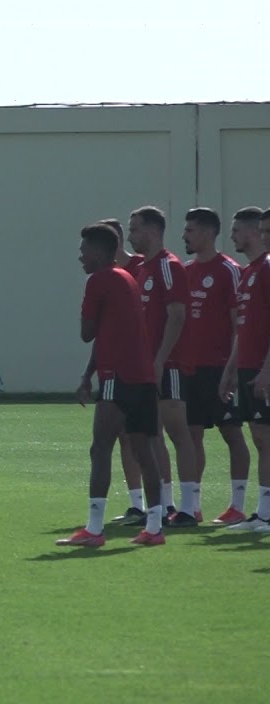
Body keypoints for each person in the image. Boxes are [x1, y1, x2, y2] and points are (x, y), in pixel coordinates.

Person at [60, 223, 167, 547]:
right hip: (143, 377)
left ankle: (94, 529)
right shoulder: (127, 278)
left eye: (84, 250)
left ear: (98, 251)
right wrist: (87, 374)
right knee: (144, 451)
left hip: (118, 377)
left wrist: (86, 311)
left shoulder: (99, 280)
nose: (80, 257)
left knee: (100, 447)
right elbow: (108, 332)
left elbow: (87, 333)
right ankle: (154, 527)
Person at [126, 206, 197, 524]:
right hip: (147, 366)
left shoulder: (168, 266)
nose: (131, 236)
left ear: (153, 231)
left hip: (168, 364)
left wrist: (160, 360)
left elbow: (177, 315)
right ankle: (165, 505)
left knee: (177, 432)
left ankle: (188, 508)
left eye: (135, 229)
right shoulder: (143, 268)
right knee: (152, 434)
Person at [180, 208, 248, 526]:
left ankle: (238, 505)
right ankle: (192, 506)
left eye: (190, 230)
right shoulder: (184, 271)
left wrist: (232, 368)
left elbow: (239, 324)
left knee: (232, 432)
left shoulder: (229, 270)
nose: (185, 236)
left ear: (208, 233)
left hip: (220, 368)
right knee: (191, 435)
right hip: (190, 369)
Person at [220, 207, 270, 532]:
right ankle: (263, 513)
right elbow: (243, 327)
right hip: (248, 367)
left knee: (266, 438)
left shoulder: (267, 269)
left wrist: (267, 369)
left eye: (237, 230)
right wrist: (231, 369)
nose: (232, 236)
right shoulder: (250, 272)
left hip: (263, 368)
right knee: (260, 438)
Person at [101, 218, 147, 524]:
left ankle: (164, 506)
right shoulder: (104, 274)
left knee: (145, 436)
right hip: (113, 366)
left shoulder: (140, 268)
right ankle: (137, 504)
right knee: (122, 435)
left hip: (140, 366)